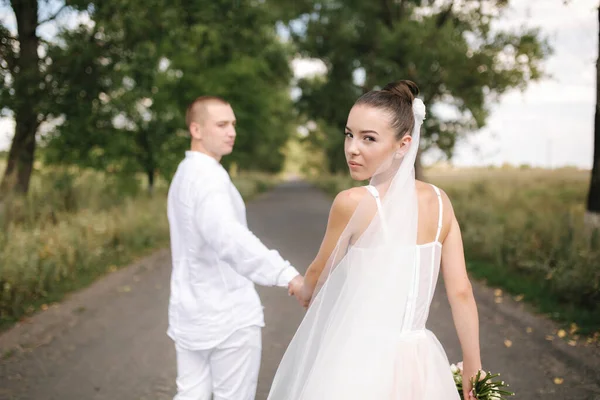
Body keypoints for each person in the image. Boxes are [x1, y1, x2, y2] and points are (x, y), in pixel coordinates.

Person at [271, 81, 482, 399]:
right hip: (419, 363)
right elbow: (461, 292)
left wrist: (303, 288)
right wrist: (473, 367)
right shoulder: (441, 203)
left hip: (359, 360)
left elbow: (318, 274)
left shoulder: (353, 202)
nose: (352, 148)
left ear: (403, 144)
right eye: (349, 134)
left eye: (368, 138)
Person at [167, 96, 304, 400]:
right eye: (222, 124)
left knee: (190, 395)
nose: (232, 131)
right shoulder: (208, 178)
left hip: (190, 313)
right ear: (196, 129)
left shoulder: (184, 173)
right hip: (227, 316)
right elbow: (229, 239)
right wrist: (287, 275)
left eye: (233, 124)